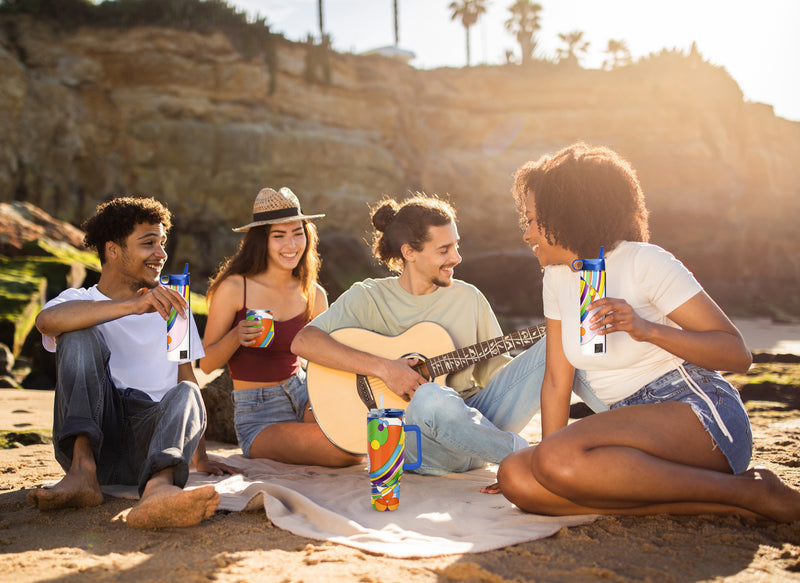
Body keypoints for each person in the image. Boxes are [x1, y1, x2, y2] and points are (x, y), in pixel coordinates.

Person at [494, 142, 800, 522]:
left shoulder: (645, 261)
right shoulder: (557, 278)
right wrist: (543, 467)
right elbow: (558, 380)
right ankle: (738, 498)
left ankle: (745, 489)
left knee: (555, 459)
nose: (525, 233)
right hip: (626, 430)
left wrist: (646, 329)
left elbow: (738, 356)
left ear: (566, 213)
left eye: (531, 219)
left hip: (697, 415)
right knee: (517, 477)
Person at [291, 193, 605, 476]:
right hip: (420, 443)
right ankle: (535, 458)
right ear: (409, 252)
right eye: (444, 249)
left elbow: (498, 377)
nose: (456, 258)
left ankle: (627, 424)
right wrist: (385, 368)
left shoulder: (469, 297)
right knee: (430, 396)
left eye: (456, 245)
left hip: (478, 427)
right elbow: (304, 342)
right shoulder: (368, 297)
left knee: (562, 340)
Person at [29, 196, 230, 529]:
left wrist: (201, 455)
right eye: (148, 243)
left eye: (163, 243)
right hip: (97, 439)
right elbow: (47, 322)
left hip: (151, 448)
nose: (161, 254)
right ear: (113, 250)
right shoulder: (79, 301)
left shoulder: (173, 307)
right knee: (77, 334)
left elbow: (188, 378)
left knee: (188, 393)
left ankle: (159, 489)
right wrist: (133, 307)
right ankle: (82, 474)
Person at [199, 187, 362, 467]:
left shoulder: (314, 294)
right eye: (279, 235)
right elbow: (205, 364)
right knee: (345, 451)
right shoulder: (236, 288)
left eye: (298, 233)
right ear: (262, 241)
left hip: (304, 393)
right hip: (260, 413)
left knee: (361, 433)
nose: (291, 244)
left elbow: (328, 358)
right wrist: (237, 336)